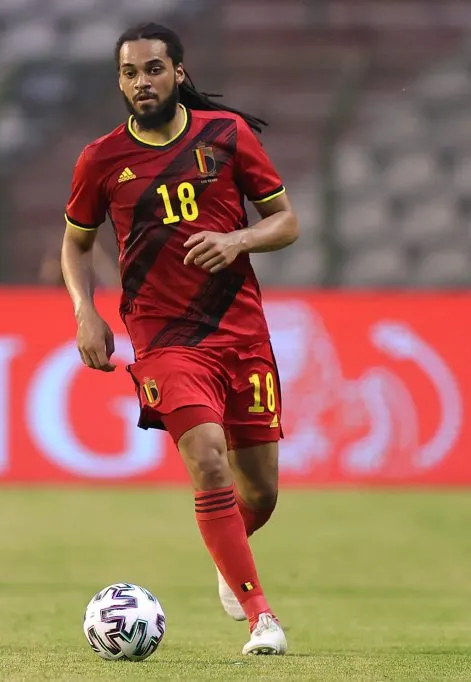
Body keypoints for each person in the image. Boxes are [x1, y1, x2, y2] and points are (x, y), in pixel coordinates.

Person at [60, 22, 299, 656]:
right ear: (120, 81)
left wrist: (237, 239)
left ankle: (230, 563)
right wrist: (86, 311)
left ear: (179, 73)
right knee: (208, 457)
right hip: (163, 337)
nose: (142, 82)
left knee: (262, 492)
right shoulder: (102, 158)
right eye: (130, 73)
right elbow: (76, 243)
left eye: (154, 70)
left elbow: (285, 221)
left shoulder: (227, 137)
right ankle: (261, 618)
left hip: (240, 330)